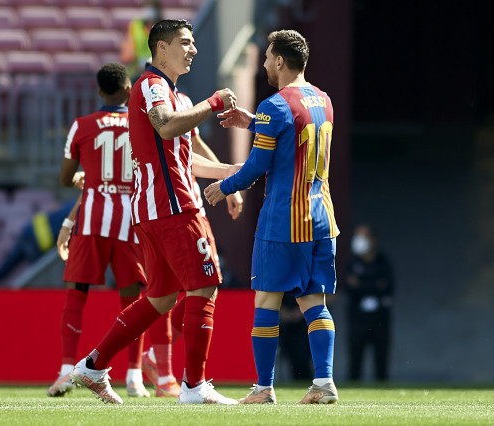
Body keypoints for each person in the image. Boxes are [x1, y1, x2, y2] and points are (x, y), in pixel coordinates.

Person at [70, 19, 239, 405]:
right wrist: (212, 103)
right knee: (204, 285)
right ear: (161, 48)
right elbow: (164, 128)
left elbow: (186, 161)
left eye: (194, 42)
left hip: (153, 210)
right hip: (173, 207)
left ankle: (93, 365)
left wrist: (231, 175)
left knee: (161, 299)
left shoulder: (176, 96)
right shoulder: (151, 85)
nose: (193, 49)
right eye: (185, 42)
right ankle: (193, 387)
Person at [204, 29, 340, 404]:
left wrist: (224, 187)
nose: (264, 63)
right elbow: (293, 135)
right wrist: (252, 121)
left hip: (284, 219)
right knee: (315, 302)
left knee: (266, 301)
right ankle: (324, 382)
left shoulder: (274, 105)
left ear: (279, 61)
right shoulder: (323, 100)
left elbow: (258, 165)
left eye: (266, 57)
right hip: (322, 217)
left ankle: (263, 388)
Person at [49, 63, 154, 399]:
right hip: (130, 223)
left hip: (93, 220)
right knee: (132, 301)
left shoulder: (82, 126)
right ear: (128, 90)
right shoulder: (140, 124)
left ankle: (66, 371)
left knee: (76, 294)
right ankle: (135, 376)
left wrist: (85, 179)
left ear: (99, 92)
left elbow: (66, 178)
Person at [140, 90, 244, 396]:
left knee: (189, 289)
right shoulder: (150, 98)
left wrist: (228, 182)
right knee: (177, 290)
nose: (192, 51)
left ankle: (105, 364)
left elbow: (193, 146)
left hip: (188, 204)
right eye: (185, 43)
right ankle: (167, 376)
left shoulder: (182, 100)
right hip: (164, 208)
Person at [0, 199, 76, 287]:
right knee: (36, 275)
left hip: (30, 229)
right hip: (37, 241)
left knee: (9, 265)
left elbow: (54, 207)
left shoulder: (74, 203)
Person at [344, 224, 394, 382]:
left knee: (381, 357)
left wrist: (361, 285)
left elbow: (388, 287)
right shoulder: (352, 262)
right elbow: (348, 287)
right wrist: (373, 285)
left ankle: (383, 392)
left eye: (364, 236)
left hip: (380, 317)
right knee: (355, 357)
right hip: (357, 318)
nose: (359, 240)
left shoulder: (383, 261)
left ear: (373, 240)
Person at [119, 0, 163, 78]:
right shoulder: (135, 25)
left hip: (157, 74)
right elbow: (127, 52)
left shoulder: (165, 28)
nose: (149, 10)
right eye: (147, 7)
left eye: (152, 7)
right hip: (136, 73)